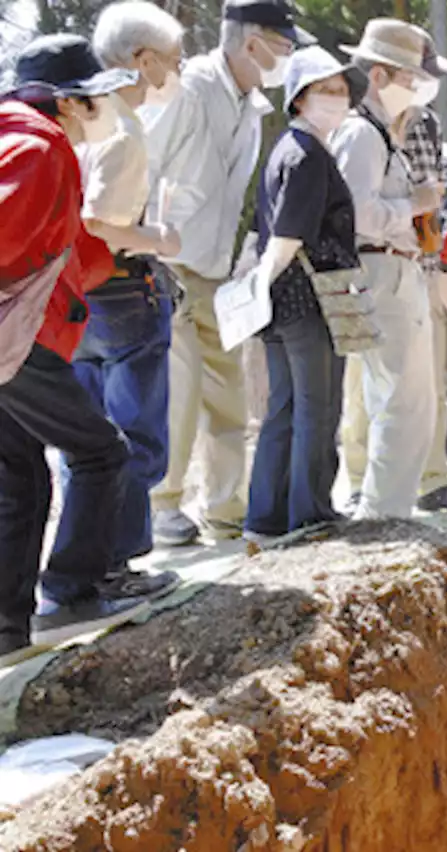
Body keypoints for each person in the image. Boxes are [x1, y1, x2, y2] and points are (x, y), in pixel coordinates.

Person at [0, 38, 153, 664]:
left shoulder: (23, 140)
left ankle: (8, 633)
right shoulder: (39, 147)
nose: (102, 107)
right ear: (65, 101)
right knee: (100, 452)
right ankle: (72, 592)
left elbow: (59, 246)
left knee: (19, 478)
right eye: (93, 97)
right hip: (15, 342)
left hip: (17, 337)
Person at [146, 0, 310, 546]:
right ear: (251, 44)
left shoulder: (252, 105)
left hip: (218, 273)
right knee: (177, 397)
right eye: (282, 47)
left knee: (228, 400)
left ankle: (223, 508)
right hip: (168, 266)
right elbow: (144, 162)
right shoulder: (190, 88)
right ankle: (162, 507)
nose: (287, 58)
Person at [70, 6, 186, 597]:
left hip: (76, 299)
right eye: (171, 59)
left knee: (83, 443)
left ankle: (80, 567)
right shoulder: (125, 130)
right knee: (134, 438)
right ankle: (117, 564)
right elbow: (100, 221)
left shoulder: (82, 118)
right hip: (123, 291)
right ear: (143, 61)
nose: (175, 71)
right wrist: (160, 240)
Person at [242, 47, 364, 546]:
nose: (336, 99)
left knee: (285, 408)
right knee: (318, 405)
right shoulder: (309, 154)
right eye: (324, 90)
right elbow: (289, 232)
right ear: (298, 98)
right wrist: (265, 281)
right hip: (308, 295)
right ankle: (311, 513)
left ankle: (267, 517)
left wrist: (258, 290)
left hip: (280, 297)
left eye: (340, 90)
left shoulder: (286, 148)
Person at [331, 18, 440, 519]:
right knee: (401, 398)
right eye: (409, 78)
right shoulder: (362, 135)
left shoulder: (379, 134)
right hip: (381, 268)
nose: (417, 88)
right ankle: (385, 513)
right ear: (378, 76)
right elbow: (357, 214)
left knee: (405, 398)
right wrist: (414, 206)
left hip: (395, 268)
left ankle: (389, 506)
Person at [393, 30, 447, 515]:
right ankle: (365, 480)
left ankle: (432, 477)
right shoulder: (361, 123)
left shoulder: (424, 123)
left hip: (422, 263)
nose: (430, 85)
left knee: (428, 381)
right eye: (423, 74)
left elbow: (434, 195)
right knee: (374, 387)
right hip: (377, 263)